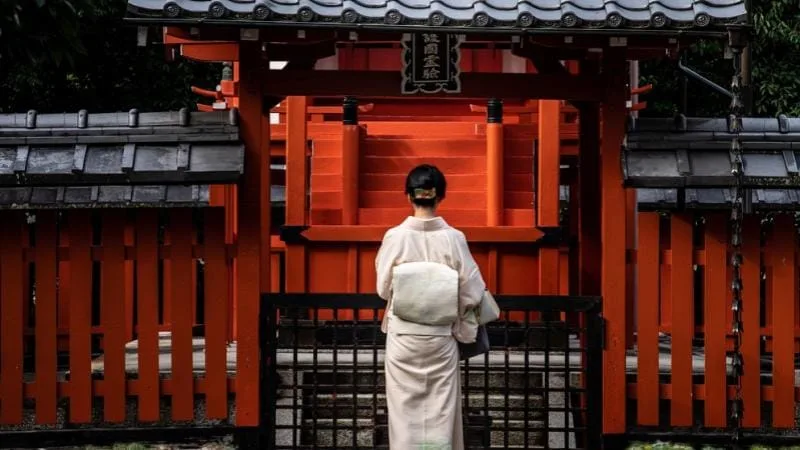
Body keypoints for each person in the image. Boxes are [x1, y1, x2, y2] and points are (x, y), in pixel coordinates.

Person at [374, 164, 487, 450]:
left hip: (404, 338)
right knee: (440, 412)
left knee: (404, 414)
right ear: (441, 196)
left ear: (408, 196)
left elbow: (383, 289)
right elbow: (472, 291)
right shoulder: (454, 238)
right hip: (439, 337)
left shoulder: (395, 237)